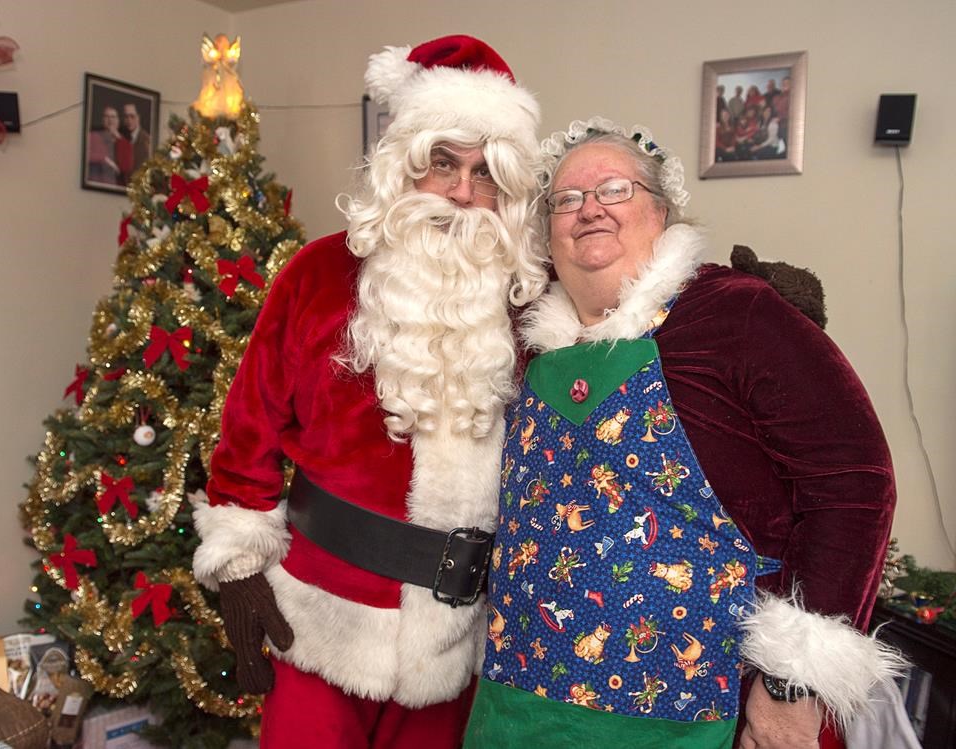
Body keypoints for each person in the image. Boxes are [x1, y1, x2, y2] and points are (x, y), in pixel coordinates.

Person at [463, 118, 905, 749]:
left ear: (662, 212)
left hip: (692, 720)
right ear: (547, 232)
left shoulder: (737, 313)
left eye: (615, 189)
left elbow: (855, 488)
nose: (589, 209)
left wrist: (792, 685)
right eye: (566, 199)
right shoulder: (524, 347)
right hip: (515, 710)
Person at [191, 35, 546, 749]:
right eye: (443, 163)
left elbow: (634, 334)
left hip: (459, 644)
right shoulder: (320, 273)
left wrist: (736, 300)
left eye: (485, 174)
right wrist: (238, 565)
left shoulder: (533, 302)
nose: (461, 193)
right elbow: (250, 426)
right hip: (317, 624)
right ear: (403, 165)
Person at [86, 105, 123, 185]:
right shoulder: (93, 136)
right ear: (102, 120)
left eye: (113, 117)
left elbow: (126, 166)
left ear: (118, 120)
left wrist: (119, 138)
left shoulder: (123, 141)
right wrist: (105, 160)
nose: (110, 120)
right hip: (95, 183)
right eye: (107, 116)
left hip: (115, 186)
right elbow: (86, 156)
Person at [119, 102, 151, 182]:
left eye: (132, 116)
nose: (129, 120)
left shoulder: (146, 141)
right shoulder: (121, 136)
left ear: (138, 118)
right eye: (126, 117)